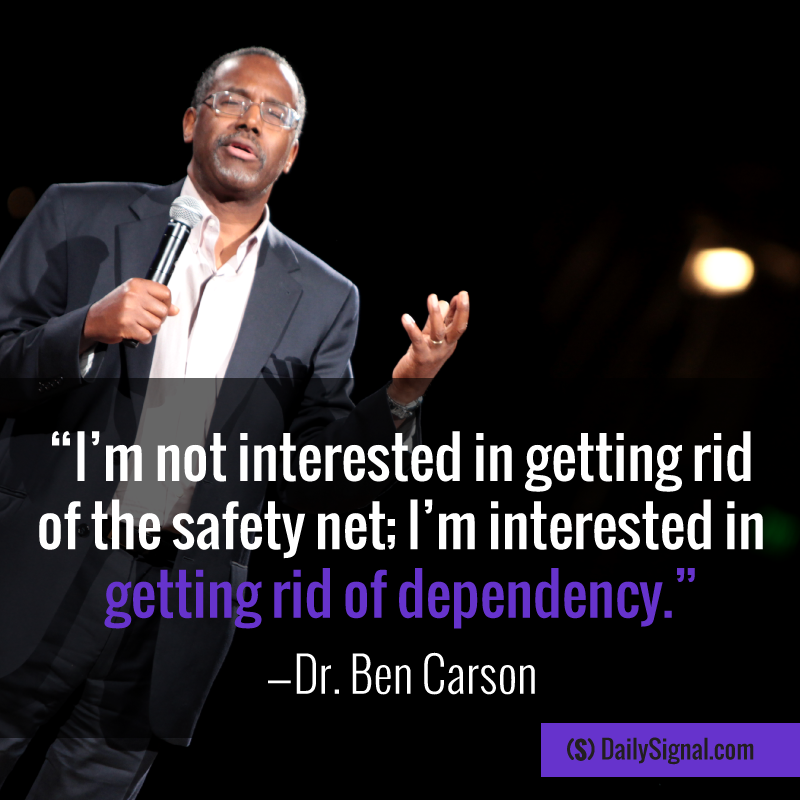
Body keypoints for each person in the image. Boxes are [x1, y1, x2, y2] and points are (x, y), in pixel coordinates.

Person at [0, 46, 469, 798]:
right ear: (191, 122)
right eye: (232, 101)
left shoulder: (325, 298)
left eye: (275, 113)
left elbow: (321, 476)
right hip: (33, 572)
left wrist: (405, 392)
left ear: (292, 153)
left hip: (174, 611)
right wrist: (84, 328)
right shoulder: (76, 214)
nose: (251, 120)